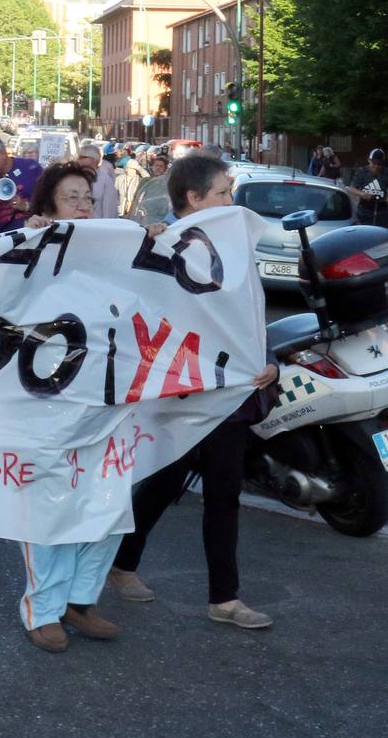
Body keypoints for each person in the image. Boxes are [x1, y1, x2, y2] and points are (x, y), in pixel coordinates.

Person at [108, 154, 280, 629]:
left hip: (227, 392)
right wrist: (142, 243)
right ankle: (122, 564)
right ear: (193, 198)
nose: (231, 201)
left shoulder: (235, 246)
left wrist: (267, 360)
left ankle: (224, 598)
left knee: (225, 492)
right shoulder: (157, 245)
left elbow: (247, 313)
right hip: (179, 392)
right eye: (223, 193)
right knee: (164, 481)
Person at [11, 163, 124, 651]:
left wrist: (158, 238)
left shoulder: (110, 253)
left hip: (106, 397)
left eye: (88, 199)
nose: (83, 207)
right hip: (47, 401)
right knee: (51, 505)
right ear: (47, 209)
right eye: (71, 198)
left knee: (109, 503)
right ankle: (44, 607)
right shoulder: (33, 247)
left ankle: (82, 598)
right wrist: (28, 236)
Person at [347, 148, 388, 228]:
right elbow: (351, 188)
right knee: (365, 233)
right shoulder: (362, 172)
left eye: (379, 164)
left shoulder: (387, 173)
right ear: (369, 160)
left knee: (381, 234)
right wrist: (362, 194)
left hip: (382, 210)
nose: (376, 166)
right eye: (374, 163)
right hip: (365, 210)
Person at [76, 145, 119, 219]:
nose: (78, 160)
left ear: (92, 159)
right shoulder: (74, 178)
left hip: (96, 226)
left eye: (81, 157)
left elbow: (109, 211)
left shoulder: (105, 180)